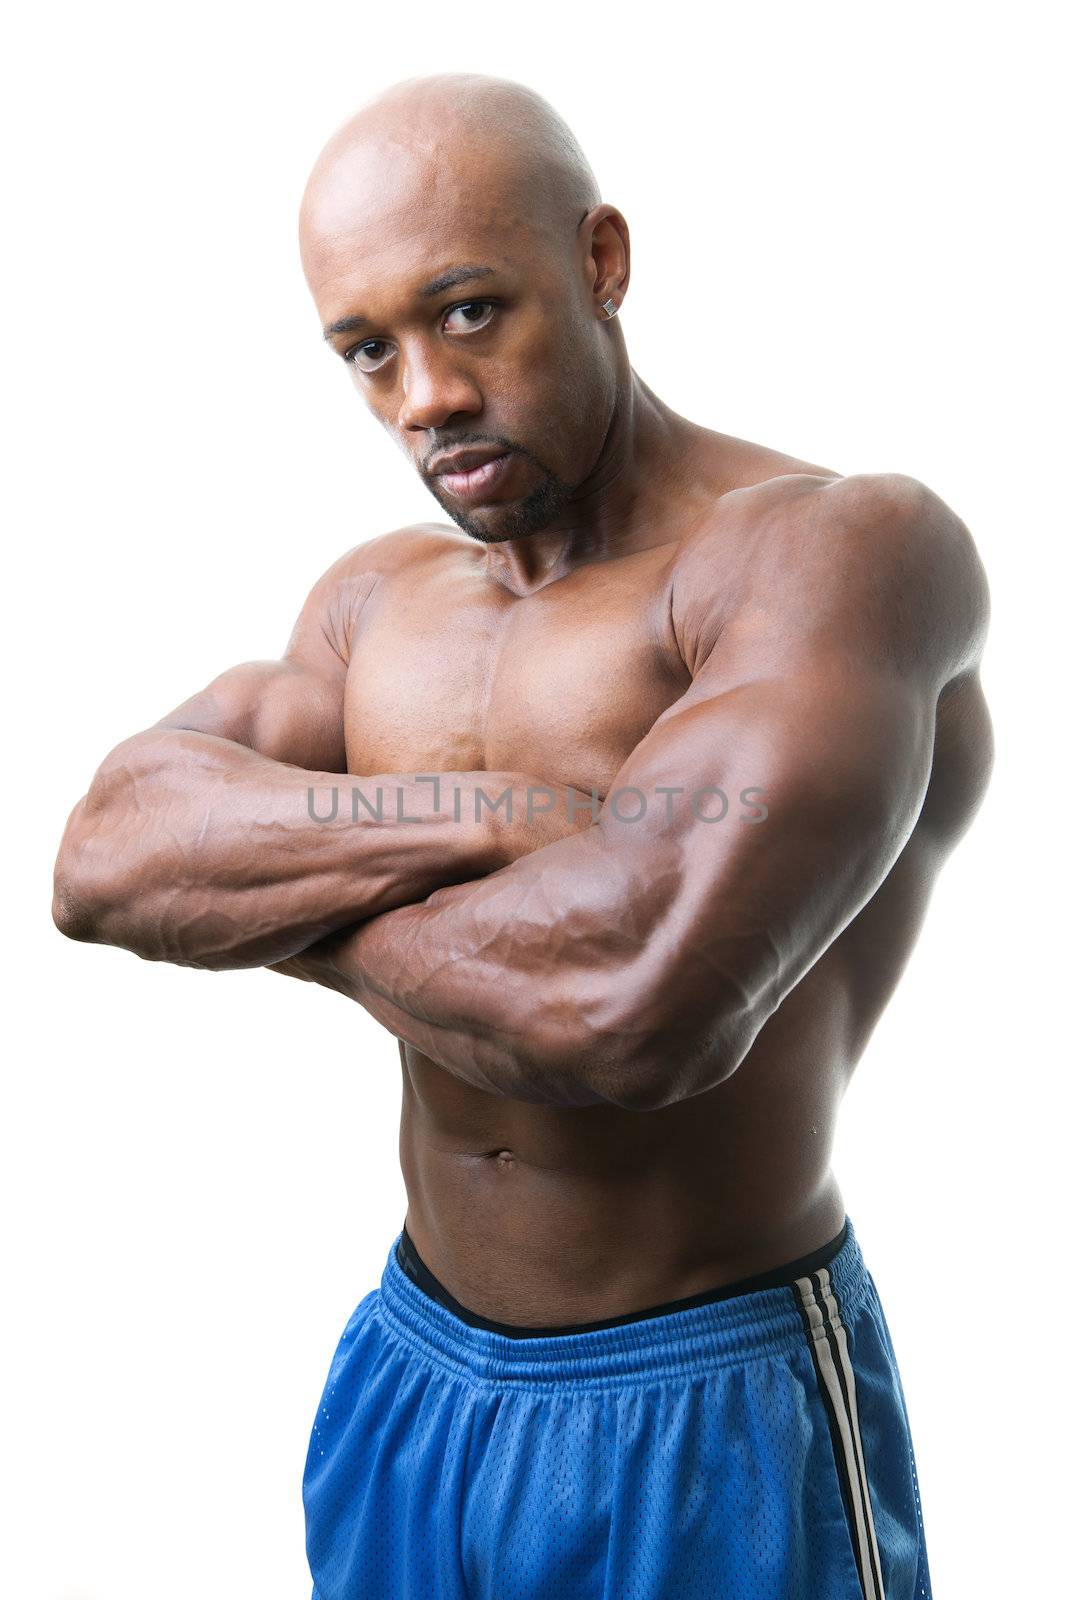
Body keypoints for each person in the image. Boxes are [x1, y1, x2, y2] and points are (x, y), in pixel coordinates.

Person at [52, 71, 993, 1600]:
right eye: (369, 351)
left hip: (706, 1397)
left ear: (601, 261)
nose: (423, 396)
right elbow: (107, 857)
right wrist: (505, 819)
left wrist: (270, 906)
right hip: (412, 1368)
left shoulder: (833, 555)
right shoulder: (376, 600)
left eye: (469, 312)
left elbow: (629, 1014)